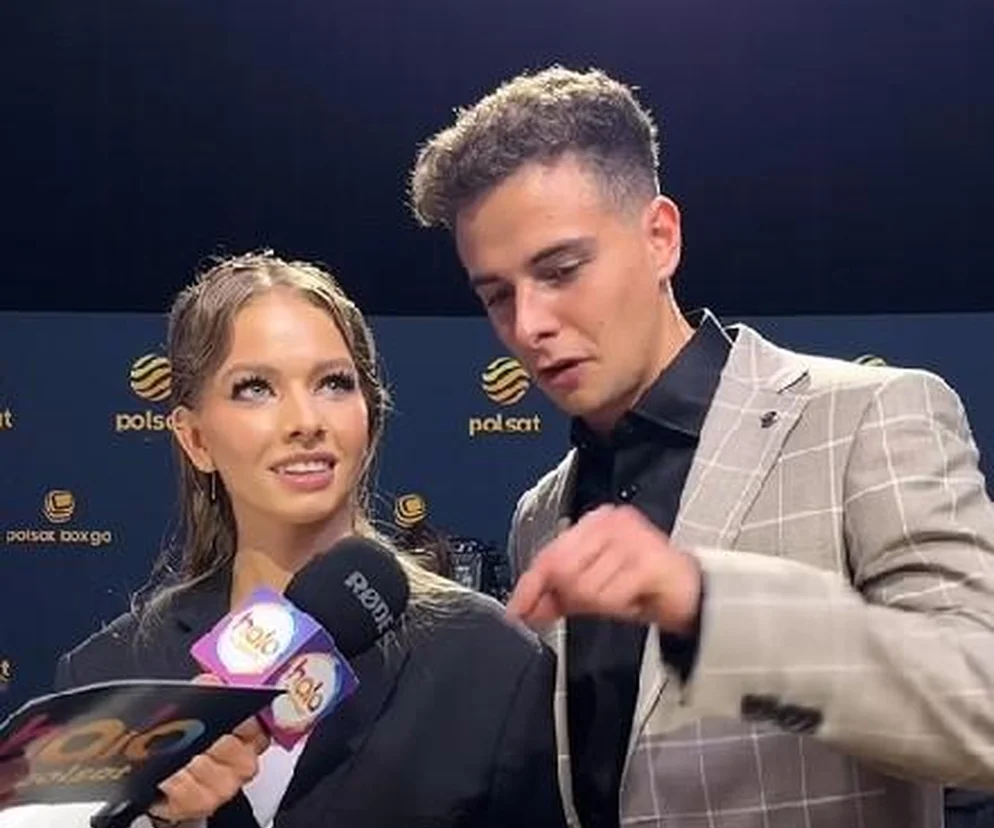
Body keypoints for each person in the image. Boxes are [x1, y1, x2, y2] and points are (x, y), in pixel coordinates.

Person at [409, 65, 994, 828]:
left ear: (660, 238)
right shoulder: (540, 515)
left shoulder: (868, 418)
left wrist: (710, 604)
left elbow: (981, 707)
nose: (528, 326)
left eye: (560, 271)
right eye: (496, 296)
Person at [2, 252, 566, 828]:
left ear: (369, 417)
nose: (305, 420)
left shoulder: (491, 663)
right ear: (195, 439)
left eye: (333, 384)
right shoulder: (107, 678)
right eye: (255, 388)